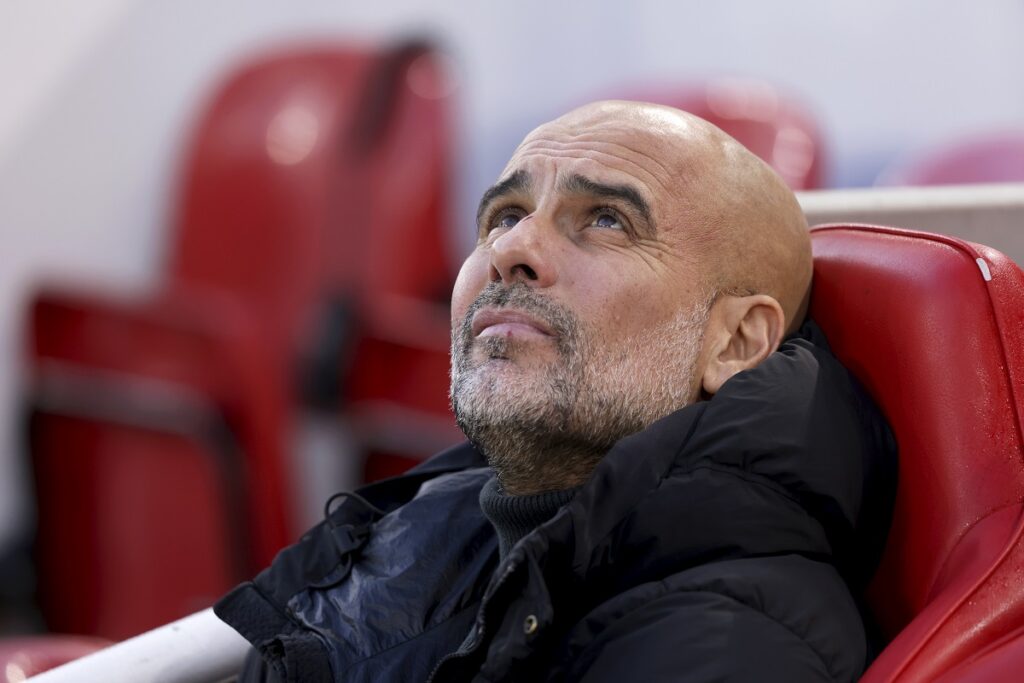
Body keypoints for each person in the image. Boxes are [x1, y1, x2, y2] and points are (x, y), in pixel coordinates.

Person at [215, 100, 896, 682]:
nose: (514, 248)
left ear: (736, 343)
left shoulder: (735, 644)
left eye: (605, 219)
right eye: (504, 215)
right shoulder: (415, 530)